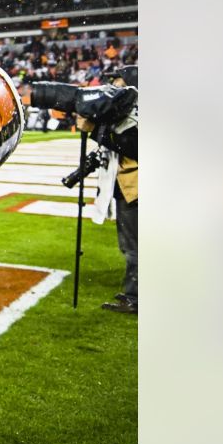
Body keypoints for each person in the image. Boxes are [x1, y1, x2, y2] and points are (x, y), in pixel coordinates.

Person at [79, 65, 138, 315]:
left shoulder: (135, 118)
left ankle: (135, 299)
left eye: (119, 83)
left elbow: (128, 144)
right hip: (128, 186)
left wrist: (92, 129)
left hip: (135, 188)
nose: (114, 88)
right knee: (132, 244)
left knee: (135, 246)